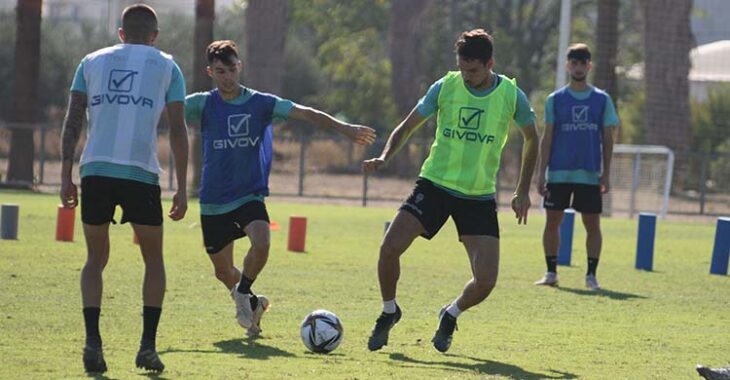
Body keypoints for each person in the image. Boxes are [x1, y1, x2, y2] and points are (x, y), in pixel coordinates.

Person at [362, 29, 538, 353]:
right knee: (389, 248)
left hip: (477, 195)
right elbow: (407, 125)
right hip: (435, 185)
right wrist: (386, 156)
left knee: (486, 280)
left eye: (473, 70)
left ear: (490, 64)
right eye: (462, 68)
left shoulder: (511, 95)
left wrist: (523, 189)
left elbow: (532, 137)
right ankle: (389, 311)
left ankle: (450, 313)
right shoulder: (445, 86)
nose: (466, 76)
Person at [184, 40, 375, 337]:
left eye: (232, 69)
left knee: (262, 242)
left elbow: (307, 113)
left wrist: (346, 129)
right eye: (220, 71)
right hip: (213, 199)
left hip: (249, 193)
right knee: (223, 272)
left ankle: (244, 293)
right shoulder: (201, 104)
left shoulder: (261, 103)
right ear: (210, 72)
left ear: (240, 66)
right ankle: (252, 303)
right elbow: (167, 113)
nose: (227, 77)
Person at [60, 4, 188, 374]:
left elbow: (72, 122)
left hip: (96, 171)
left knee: (94, 260)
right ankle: (147, 346)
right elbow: (178, 130)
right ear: (154, 36)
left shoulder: (90, 61)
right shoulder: (168, 65)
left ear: (120, 33)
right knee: (153, 260)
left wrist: (65, 174)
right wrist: (180, 186)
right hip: (141, 173)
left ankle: (92, 342)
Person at [534, 43, 618, 290]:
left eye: (583, 63)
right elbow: (547, 137)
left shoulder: (601, 100)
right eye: (574, 62)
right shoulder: (555, 100)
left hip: (590, 175)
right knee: (552, 223)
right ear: (567, 65)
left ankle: (591, 276)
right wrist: (541, 174)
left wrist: (607, 174)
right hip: (559, 173)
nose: (579, 67)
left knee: (592, 225)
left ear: (589, 66)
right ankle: (551, 273)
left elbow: (607, 138)